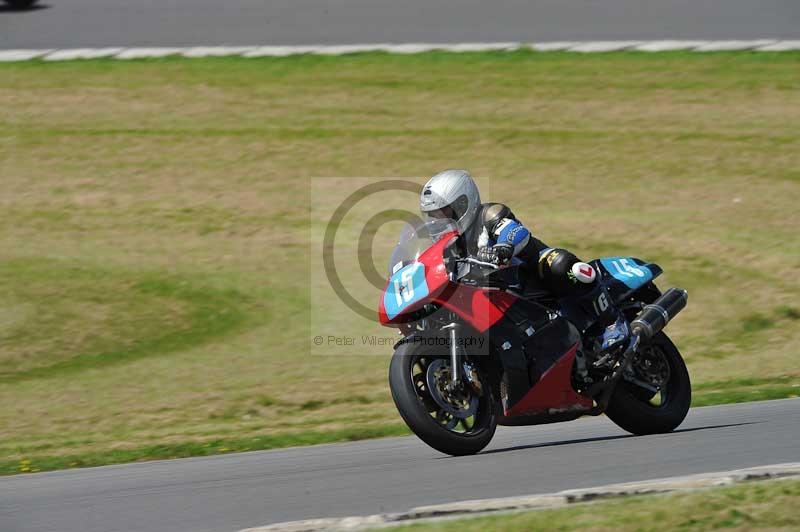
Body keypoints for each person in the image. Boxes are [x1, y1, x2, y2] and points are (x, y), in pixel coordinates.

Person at [419, 169, 628, 352]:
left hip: (529, 278)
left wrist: (503, 248)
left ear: (463, 203)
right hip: (495, 301)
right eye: (433, 215)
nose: (438, 221)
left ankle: (613, 322)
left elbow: (515, 232)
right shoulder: (448, 246)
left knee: (561, 264)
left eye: (443, 212)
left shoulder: (489, 215)